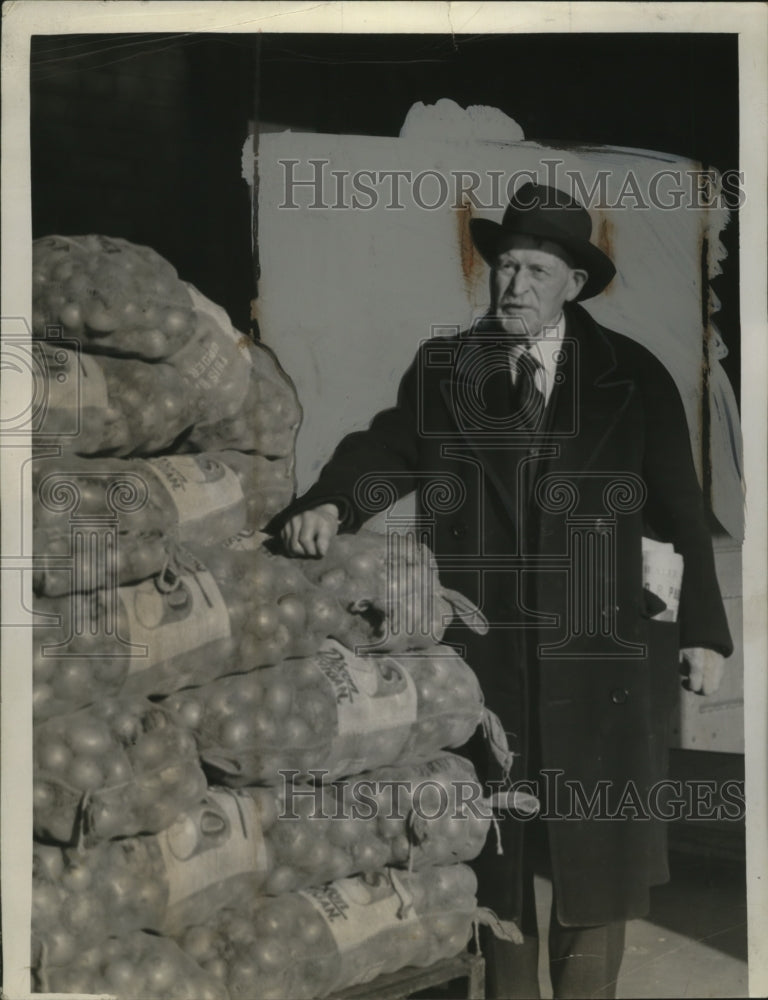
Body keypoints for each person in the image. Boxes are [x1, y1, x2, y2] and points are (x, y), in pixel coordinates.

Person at [272, 183, 733, 999]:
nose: (513, 285)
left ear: (574, 285)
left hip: (604, 656)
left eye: (535, 270)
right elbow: (389, 442)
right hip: (487, 662)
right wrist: (334, 498)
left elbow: (682, 507)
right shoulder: (450, 367)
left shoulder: (635, 375)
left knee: (598, 855)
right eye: (505, 266)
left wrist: (702, 631)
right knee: (496, 854)